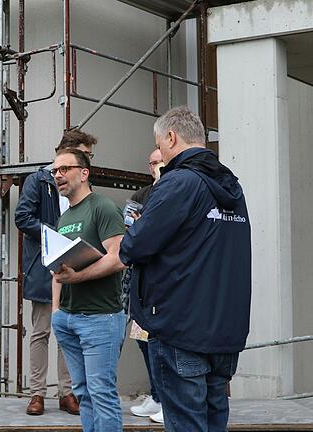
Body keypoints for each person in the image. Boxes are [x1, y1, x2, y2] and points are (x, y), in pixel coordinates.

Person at [120, 106, 251, 432]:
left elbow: (134, 246)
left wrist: (137, 229)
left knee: (187, 424)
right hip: (224, 332)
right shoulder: (232, 188)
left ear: (171, 137)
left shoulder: (178, 182)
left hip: (181, 330)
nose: (161, 154)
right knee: (213, 421)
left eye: (160, 145)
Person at [14, 129, 97, 416]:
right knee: (41, 331)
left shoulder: (84, 182)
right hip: (44, 265)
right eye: (87, 154)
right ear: (70, 152)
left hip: (74, 265)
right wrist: (57, 237)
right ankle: (37, 393)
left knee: (68, 331)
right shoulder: (37, 180)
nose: (90, 160)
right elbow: (22, 217)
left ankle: (67, 392)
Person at [50, 148, 126, 432]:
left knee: (101, 393)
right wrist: (57, 311)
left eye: (64, 169)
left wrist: (77, 277)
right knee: (82, 393)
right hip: (68, 318)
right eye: (54, 171)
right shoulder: (65, 217)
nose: (58, 175)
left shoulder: (103, 207)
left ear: (84, 173)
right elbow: (56, 270)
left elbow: (118, 258)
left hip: (100, 318)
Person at [128, 148, 165, 423]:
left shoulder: (174, 191)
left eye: (160, 161)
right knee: (143, 341)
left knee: (163, 343)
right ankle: (157, 394)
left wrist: (145, 225)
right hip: (141, 283)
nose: (155, 167)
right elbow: (130, 223)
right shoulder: (143, 194)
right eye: (152, 162)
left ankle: (167, 397)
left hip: (164, 283)